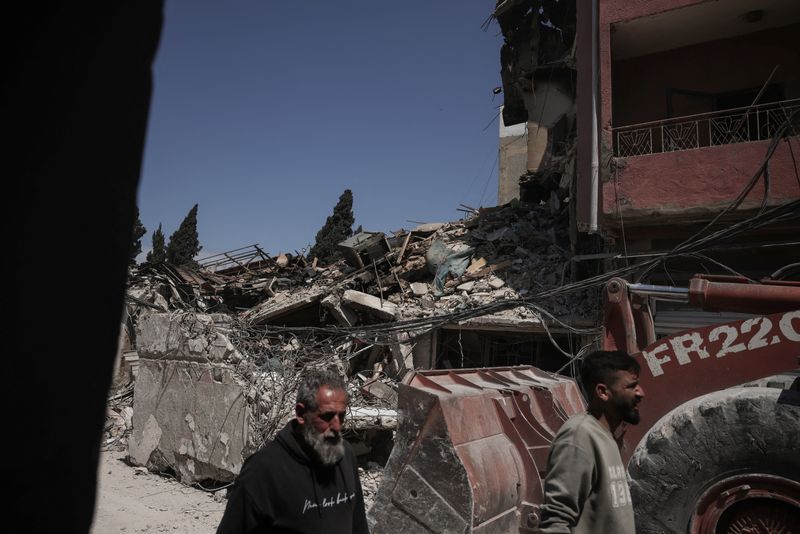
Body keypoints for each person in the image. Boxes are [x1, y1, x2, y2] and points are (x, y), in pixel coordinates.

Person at [217, 368, 370, 534]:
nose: (336, 427)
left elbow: (359, 526)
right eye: (327, 417)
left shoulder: (345, 455)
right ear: (301, 413)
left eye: (341, 416)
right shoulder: (262, 471)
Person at [537, 350, 645, 533]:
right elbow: (556, 521)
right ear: (602, 392)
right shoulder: (579, 436)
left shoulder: (606, 436)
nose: (641, 393)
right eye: (631, 386)